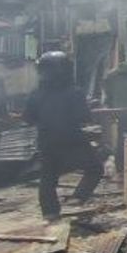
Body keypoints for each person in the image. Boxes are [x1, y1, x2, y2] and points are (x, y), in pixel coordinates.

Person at [24, 51, 102, 219]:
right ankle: (78, 197)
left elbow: (29, 119)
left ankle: (50, 213)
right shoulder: (74, 92)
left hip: (46, 140)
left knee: (48, 178)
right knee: (95, 168)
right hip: (72, 139)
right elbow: (84, 117)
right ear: (66, 70)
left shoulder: (35, 94)